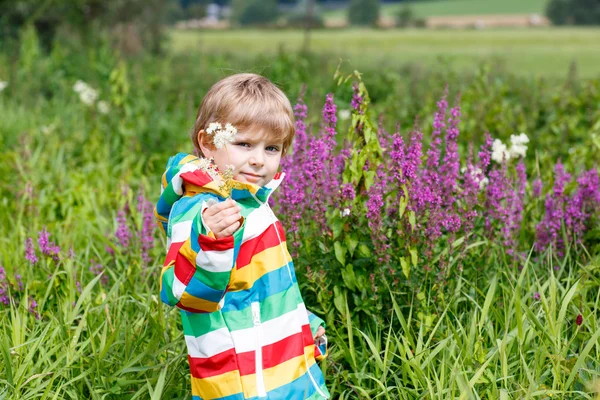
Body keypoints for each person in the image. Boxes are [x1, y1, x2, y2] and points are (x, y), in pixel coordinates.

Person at [154, 73, 330, 400]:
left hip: (284, 367)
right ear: (209, 143)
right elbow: (185, 294)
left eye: (271, 147)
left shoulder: (250, 202)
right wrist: (210, 240)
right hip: (245, 382)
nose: (259, 159)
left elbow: (262, 287)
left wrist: (304, 323)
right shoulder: (201, 211)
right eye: (244, 144)